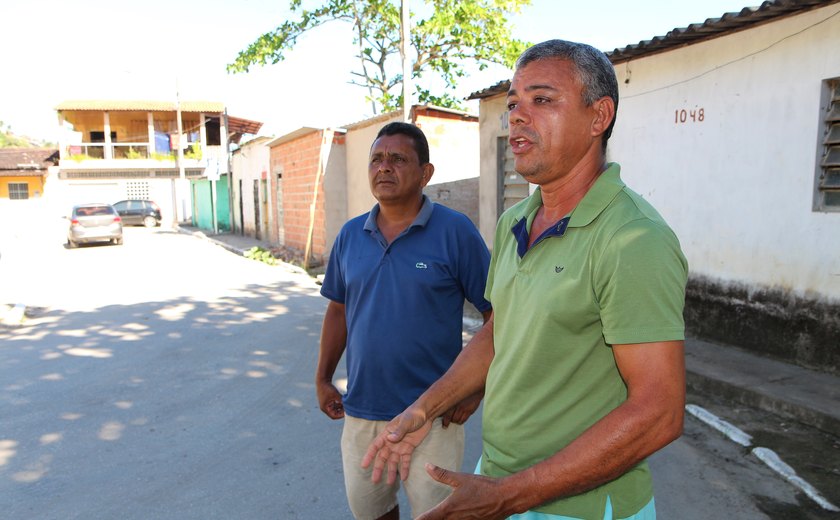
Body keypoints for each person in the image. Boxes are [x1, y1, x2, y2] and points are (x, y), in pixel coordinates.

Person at [362, 40, 688, 520]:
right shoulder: (515, 220)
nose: (517, 116)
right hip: (499, 482)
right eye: (514, 103)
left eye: (542, 100)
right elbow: (499, 332)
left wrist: (511, 494)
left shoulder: (632, 238)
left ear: (598, 117)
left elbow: (660, 413)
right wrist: (424, 409)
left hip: (583, 508)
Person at [317, 121, 493, 520]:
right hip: (362, 411)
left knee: (437, 513)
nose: (384, 167)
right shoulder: (349, 236)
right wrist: (323, 377)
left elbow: (496, 315)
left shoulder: (455, 232)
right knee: (372, 512)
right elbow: (338, 310)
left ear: (425, 173)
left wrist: (475, 386)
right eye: (377, 159)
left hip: (435, 415)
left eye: (397, 159)